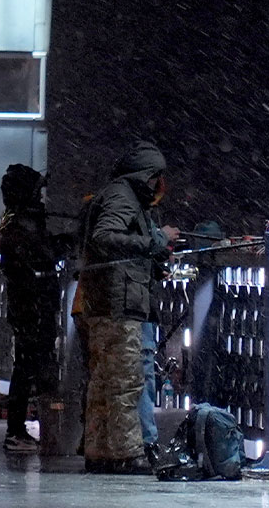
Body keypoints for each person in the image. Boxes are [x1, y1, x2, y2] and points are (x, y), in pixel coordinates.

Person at [78, 141, 178, 475]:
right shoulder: (123, 197)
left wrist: (152, 256)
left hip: (107, 301)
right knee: (125, 382)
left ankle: (99, 451)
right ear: (148, 174)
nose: (160, 186)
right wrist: (155, 241)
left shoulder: (117, 194)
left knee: (103, 382)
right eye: (157, 177)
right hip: (120, 304)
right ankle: (126, 453)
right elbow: (105, 237)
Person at [0, 165, 65, 453]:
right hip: (31, 306)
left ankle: (26, 428)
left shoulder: (20, 221)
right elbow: (38, 256)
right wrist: (62, 246)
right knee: (26, 368)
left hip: (32, 305)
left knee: (29, 367)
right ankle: (16, 431)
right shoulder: (21, 225)